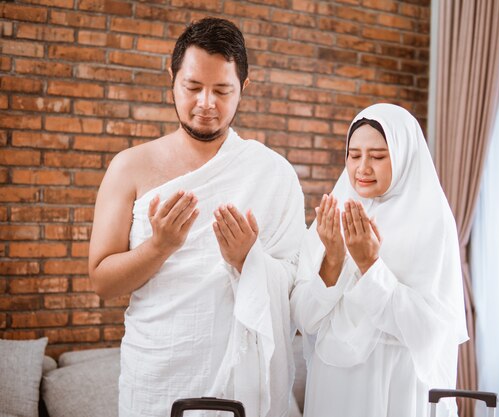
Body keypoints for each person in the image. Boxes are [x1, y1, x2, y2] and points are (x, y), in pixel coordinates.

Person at [88, 18, 305, 417]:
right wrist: (159, 247)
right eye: (193, 87)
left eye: (223, 90)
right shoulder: (129, 168)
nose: (207, 103)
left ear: (244, 88)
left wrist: (247, 260)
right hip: (155, 374)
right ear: (171, 78)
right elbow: (102, 281)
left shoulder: (273, 174)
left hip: (240, 383)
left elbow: (297, 288)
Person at [290, 103, 468, 417]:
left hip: (398, 386)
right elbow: (304, 319)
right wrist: (333, 259)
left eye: (377, 156)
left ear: (403, 155)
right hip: (334, 383)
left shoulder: (432, 222)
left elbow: (430, 332)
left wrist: (369, 265)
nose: (362, 168)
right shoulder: (332, 215)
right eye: (354, 155)